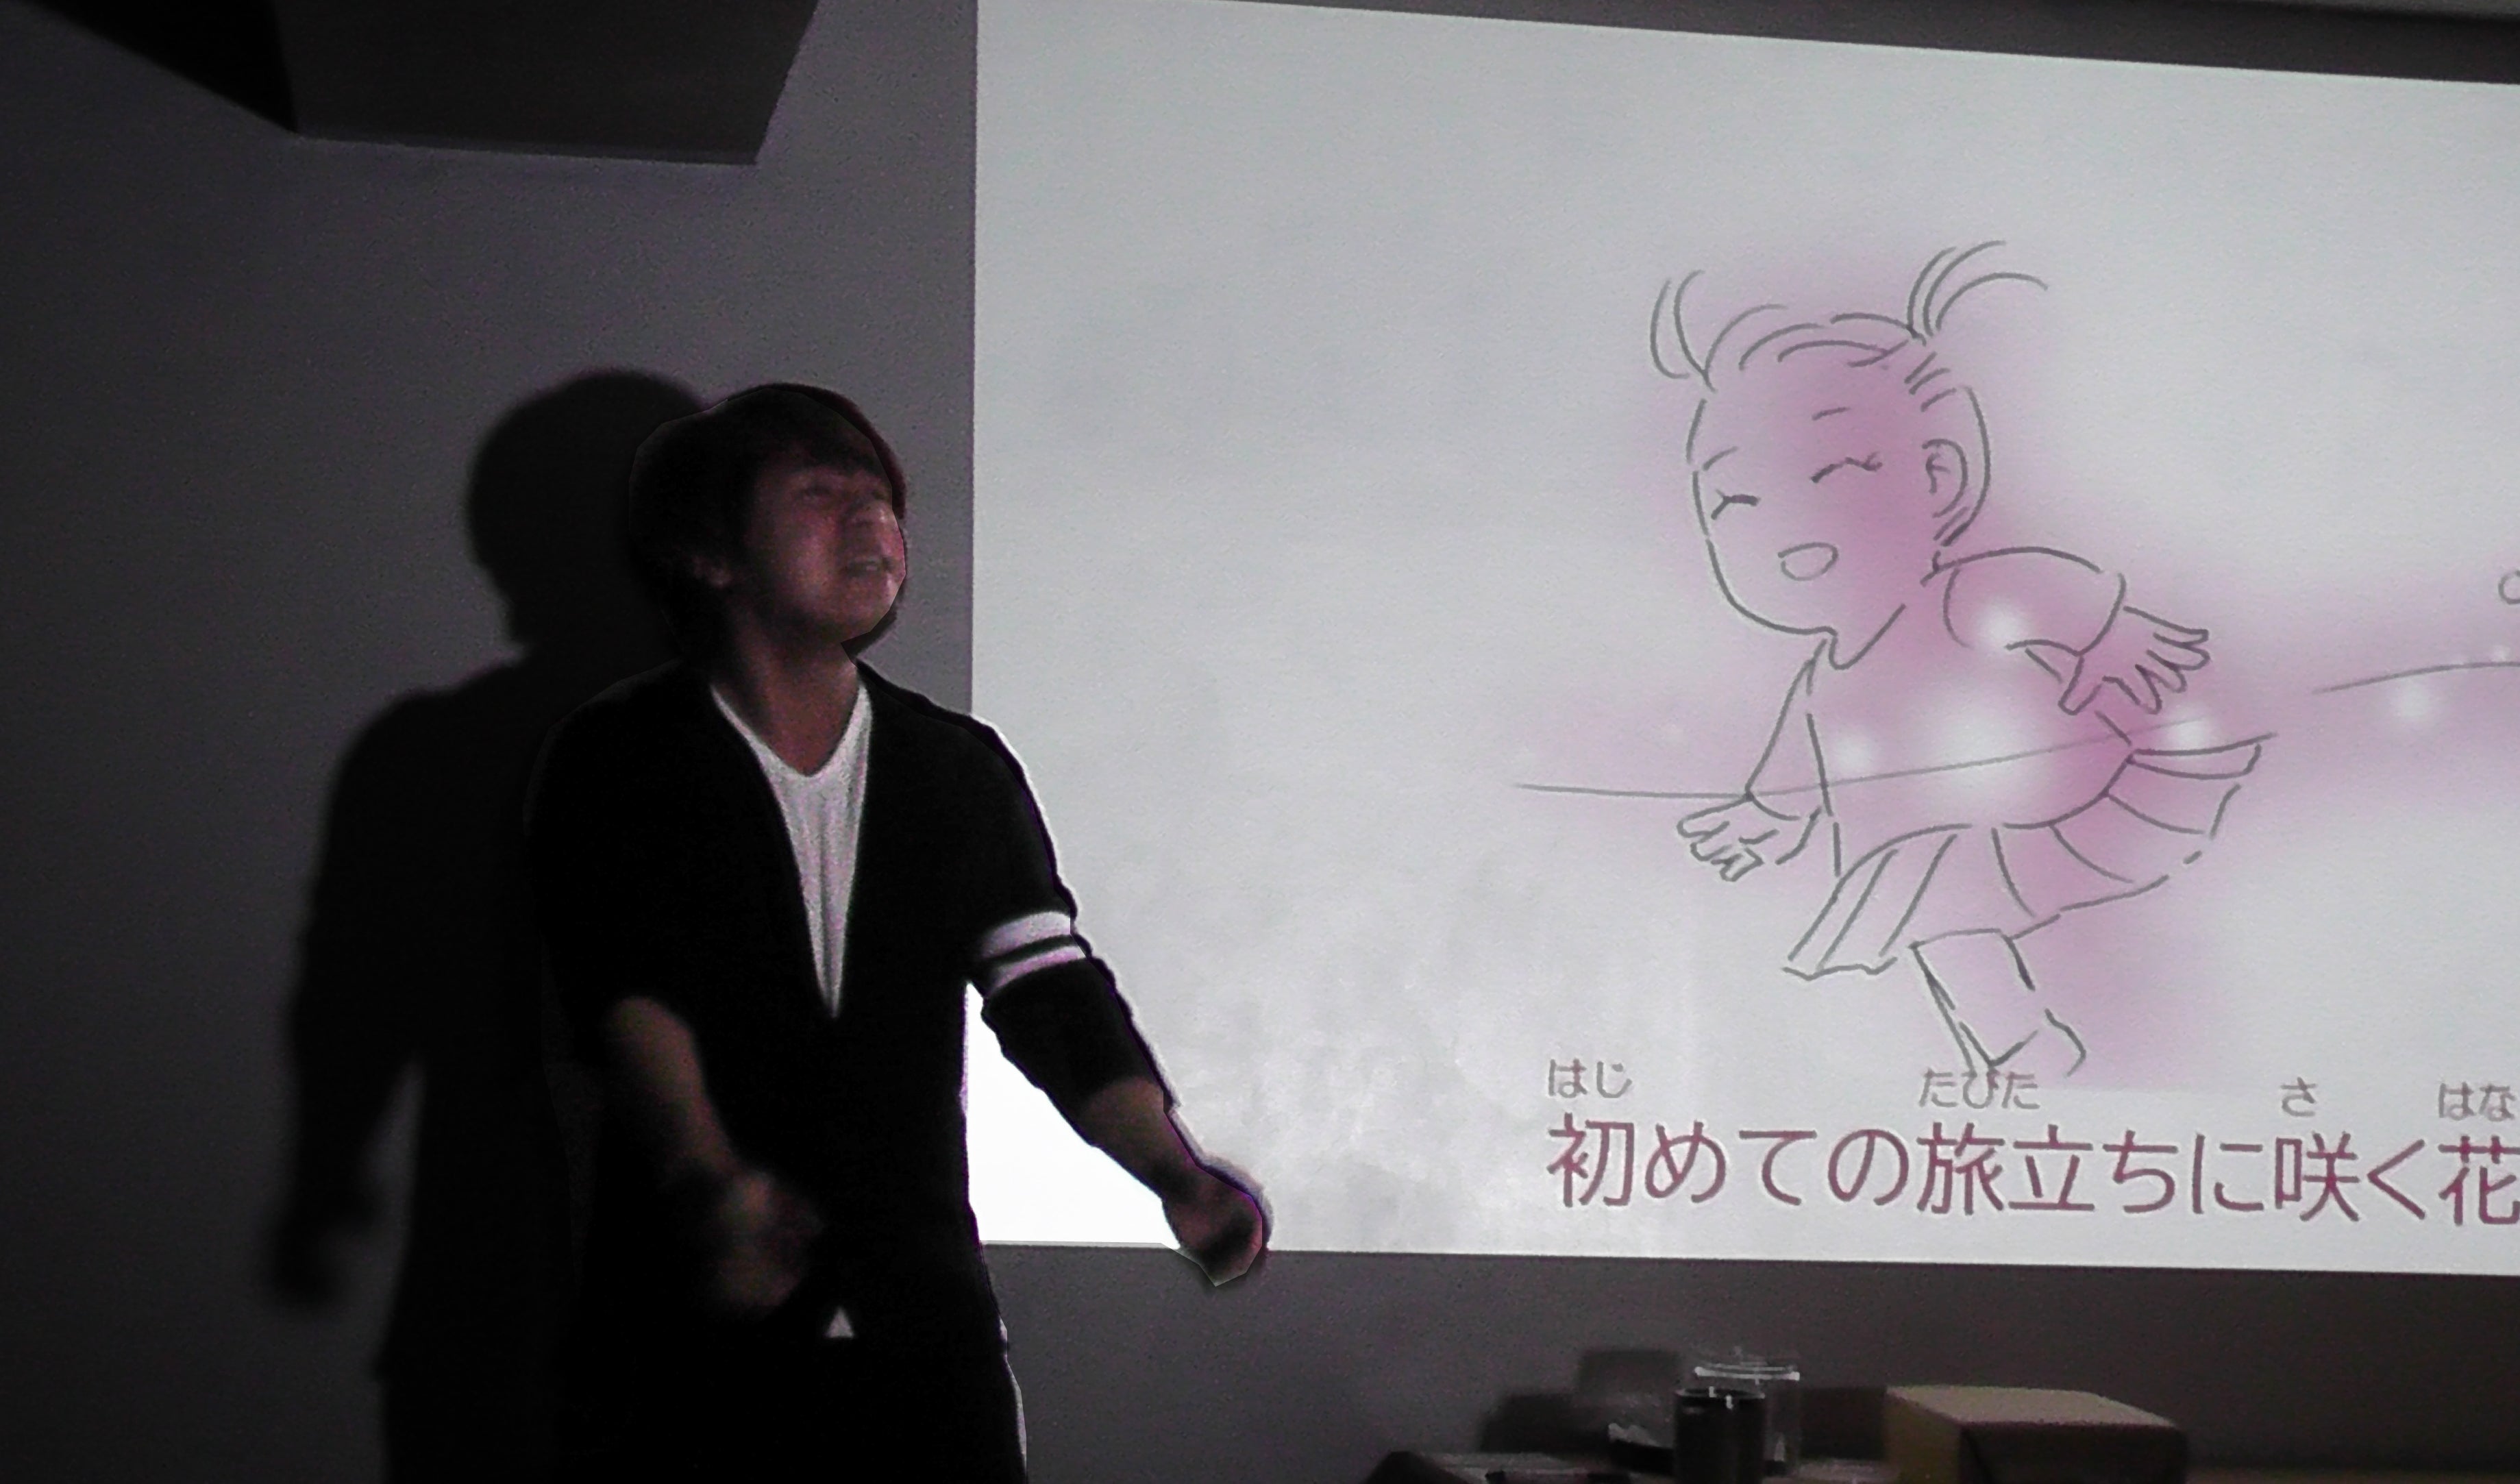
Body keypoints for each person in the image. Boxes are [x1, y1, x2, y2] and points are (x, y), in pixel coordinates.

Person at [526, 383, 1265, 1481]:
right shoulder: (625, 754)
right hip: (687, 1335)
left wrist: (1174, 1172)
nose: (871, 519)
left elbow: (1048, 989)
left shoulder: (952, 766)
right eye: (819, 494)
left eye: (880, 497)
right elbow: (629, 991)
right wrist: (709, 1179)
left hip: (921, 1329)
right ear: (708, 553)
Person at [1654, 248, 2261, 1079]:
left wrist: (2115, 637)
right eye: (1737, 501)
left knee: (1969, 907)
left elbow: (2057, 590)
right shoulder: (1823, 682)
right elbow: (1795, 767)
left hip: (2070, 812)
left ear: (1939, 477)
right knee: (1931, 918)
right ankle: (2023, 1051)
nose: (1791, 530)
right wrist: (1767, 815)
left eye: (1839, 475)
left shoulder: (1963, 597)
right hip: (1940, 849)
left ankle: (2114, 1031)